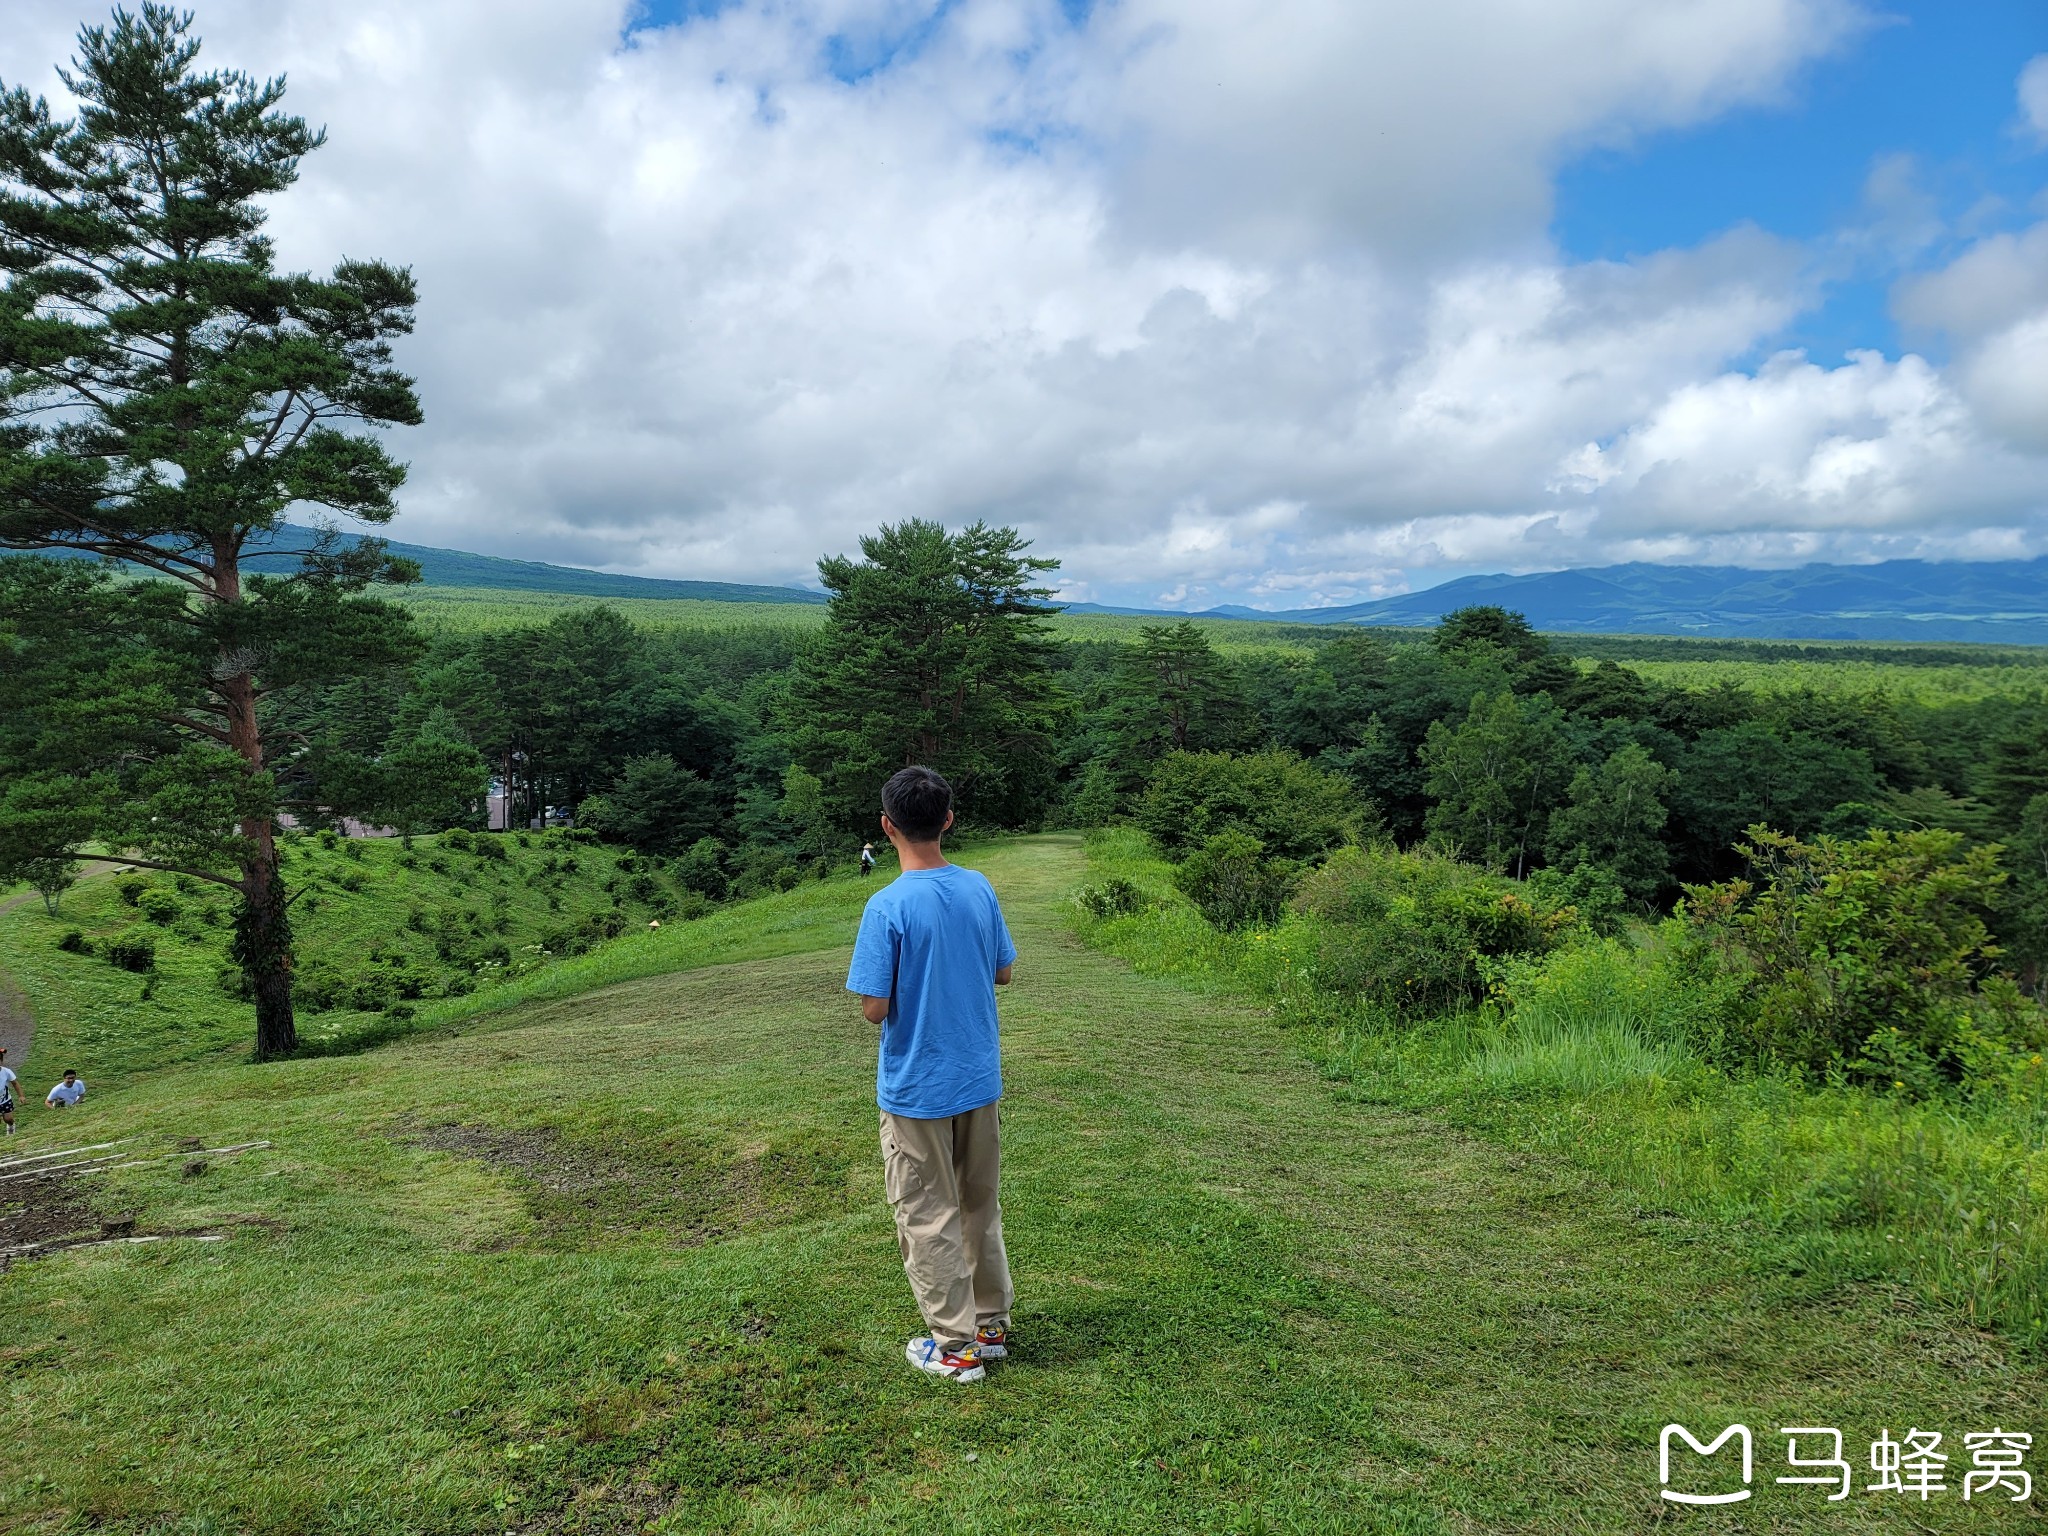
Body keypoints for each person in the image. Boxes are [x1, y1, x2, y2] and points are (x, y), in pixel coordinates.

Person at [846, 765, 1017, 1384]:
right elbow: (1002, 972)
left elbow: (873, 1008)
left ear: (887, 827)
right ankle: (990, 1325)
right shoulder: (978, 888)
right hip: (978, 1078)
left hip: (917, 1087)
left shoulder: (886, 904)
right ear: (947, 820)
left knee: (927, 1212)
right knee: (978, 1204)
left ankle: (956, 1347)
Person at [0, 1046, 17, 1135]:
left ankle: (11, 1125)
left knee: (8, 1119)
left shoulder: (6, 1072)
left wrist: (21, 1096)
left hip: (5, 1100)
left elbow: (15, 1083)